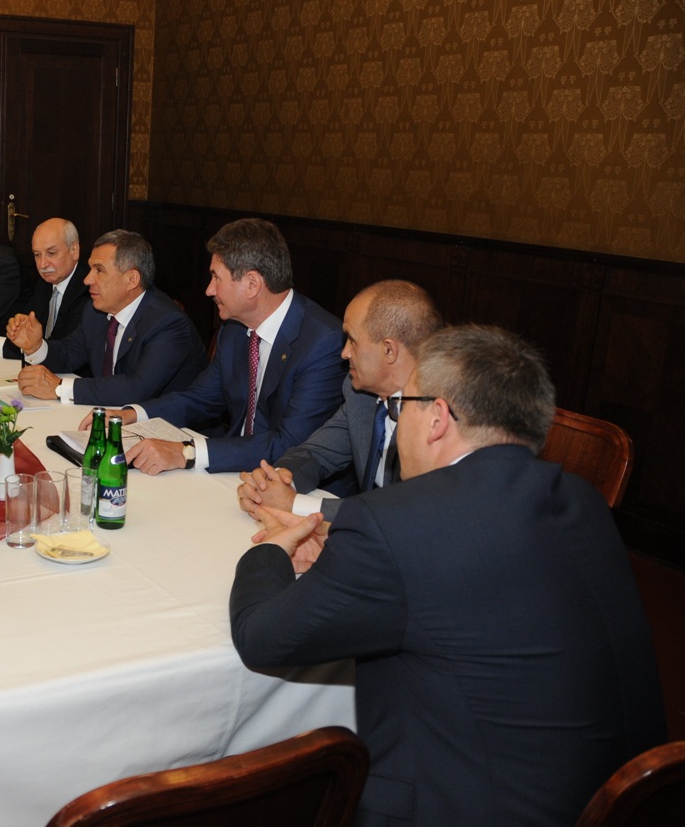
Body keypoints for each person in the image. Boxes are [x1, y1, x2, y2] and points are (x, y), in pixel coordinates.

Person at [230, 325, 665, 826]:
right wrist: (356, 560)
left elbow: (262, 638)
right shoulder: (582, 499)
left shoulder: (396, 522)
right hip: (622, 804)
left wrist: (271, 552)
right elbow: (464, 583)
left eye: (402, 407)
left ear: (436, 418)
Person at [109, 218, 344, 474]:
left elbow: (290, 445)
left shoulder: (322, 343)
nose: (209, 290)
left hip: (293, 483)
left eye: (216, 277)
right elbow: (200, 398)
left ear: (252, 284)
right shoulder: (234, 330)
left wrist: (187, 452)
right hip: (233, 468)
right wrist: (134, 414)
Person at [237, 280, 443, 520]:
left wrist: (295, 504)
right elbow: (316, 453)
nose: (344, 353)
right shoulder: (359, 396)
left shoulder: (440, 418)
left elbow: (407, 512)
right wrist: (276, 482)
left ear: (389, 350)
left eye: (352, 341)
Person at [6, 229, 206, 406]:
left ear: (132, 279)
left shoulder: (168, 323)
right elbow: (68, 355)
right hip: (113, 416)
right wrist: (36, 346)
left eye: (99, 270)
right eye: (90, 269)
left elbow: (136, 389)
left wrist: (59, 388)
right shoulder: (95, 313)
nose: (87, 279)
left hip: (171, 429)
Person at [0, 217, 90, 362]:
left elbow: (61, 349)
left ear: (74, 250)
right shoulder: (45, 284)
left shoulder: (87, 289)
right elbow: (28, 336)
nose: (42, 264)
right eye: (37, 255)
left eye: (51, 253)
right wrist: (13, 330)